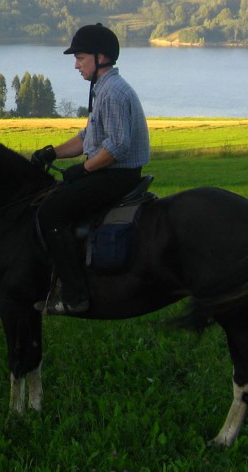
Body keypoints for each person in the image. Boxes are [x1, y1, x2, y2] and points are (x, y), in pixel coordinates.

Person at [30, 23, 150, 315]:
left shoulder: (113, 93)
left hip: (116, 176)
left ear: (101, 57)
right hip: (109, 172)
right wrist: (53, 152)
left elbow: (117, 146)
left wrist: (84, 170)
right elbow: (88, 137)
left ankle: (74, 295)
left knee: (50, 212)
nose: (76, 65)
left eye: (80, 58)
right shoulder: (104, 89)